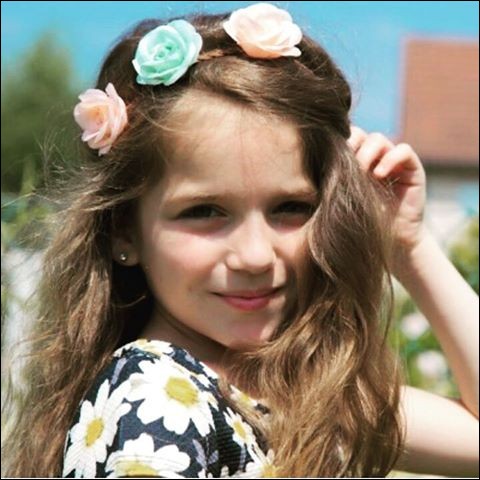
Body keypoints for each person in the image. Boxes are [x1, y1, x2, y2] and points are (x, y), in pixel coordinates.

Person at [2, 3, 478, 478]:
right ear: (123, 230)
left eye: (290, 207)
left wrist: (408, 246)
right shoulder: (157, 400)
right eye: (204, 212)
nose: (254, 255)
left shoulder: (293, 392)